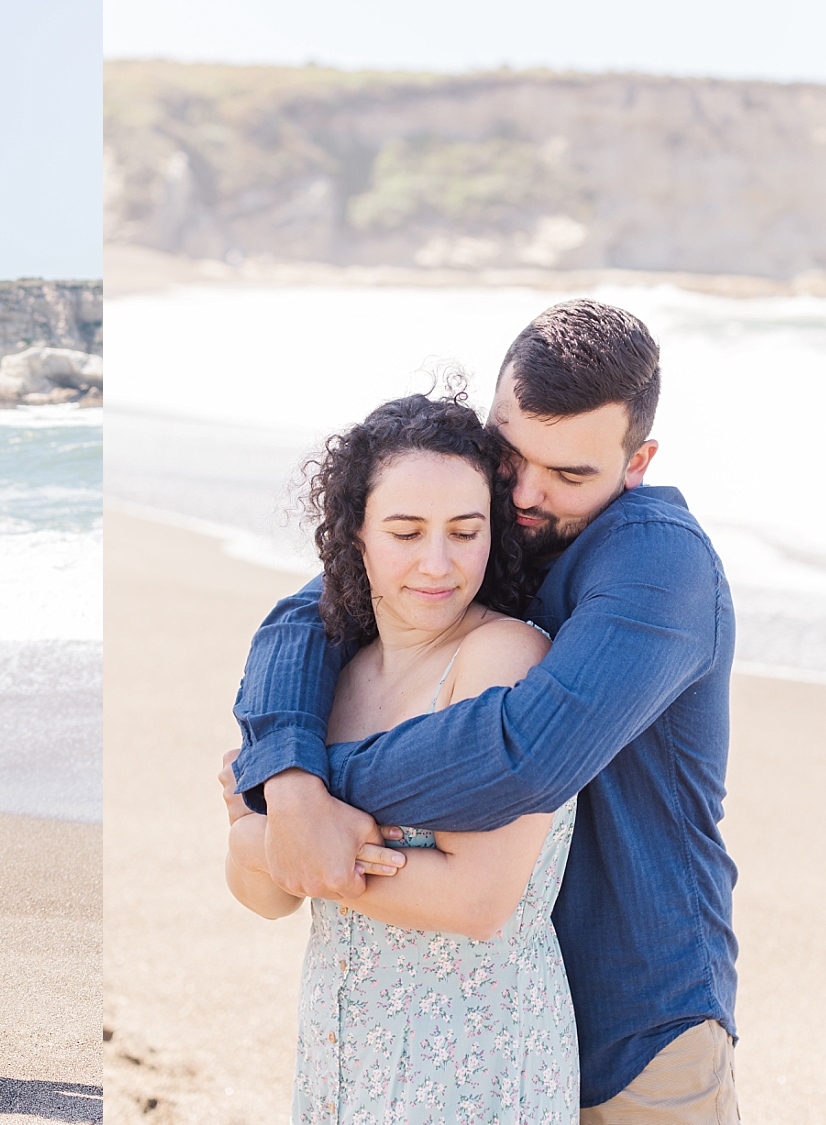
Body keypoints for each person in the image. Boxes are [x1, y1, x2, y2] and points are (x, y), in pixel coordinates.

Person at [230, 299, 739, 1124]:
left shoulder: (658, 565)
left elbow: (521, 756)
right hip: (476, 1018)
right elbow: (305, 616)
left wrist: (299, 789)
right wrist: (288, 785)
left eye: (571, 473)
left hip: (638, 1025)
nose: (528, 493)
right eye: (511, 456)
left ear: (636, 460)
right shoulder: (486, 541)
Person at [224, 392, 578, 1121]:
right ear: (356, 536)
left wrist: (260, 831)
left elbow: (477, 901)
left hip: (475, 1059)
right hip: (343, 1045)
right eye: (406, 531)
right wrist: (271, 842)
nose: (437, 563)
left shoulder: (505, 657)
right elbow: (268, 897)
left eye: (464, 530)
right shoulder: (335, 676)